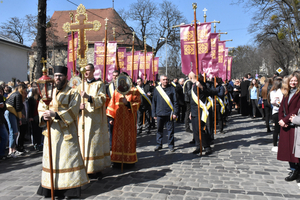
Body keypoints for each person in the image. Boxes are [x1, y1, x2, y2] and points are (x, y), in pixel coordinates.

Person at [37, 66, 89, 198]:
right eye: (55, 76)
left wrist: (55, 114)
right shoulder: (49, 93)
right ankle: (51, 188)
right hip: (52, 133)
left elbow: (74, 110)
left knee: (68, 160)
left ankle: (69, 190)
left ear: (66, 77)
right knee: (53, 160)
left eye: (60, 76)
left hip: (67, 133)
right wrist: (44, 116)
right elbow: (41, 107)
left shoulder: (73, 93)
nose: (57, 78)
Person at [78, 63, 111, 179]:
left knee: (94, 143)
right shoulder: (80, 85)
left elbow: (103, 99)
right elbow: (75, 100)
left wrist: (89, 97)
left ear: (93, 71)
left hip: (95, 119)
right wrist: (78, 106)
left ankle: (96, 168)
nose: (85, 73)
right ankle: (84, 167)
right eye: (84, 71)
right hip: (83, 119)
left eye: (87, 70)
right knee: (83, 142)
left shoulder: (99, 84)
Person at [106, 73, 141, 166]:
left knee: (128, 139)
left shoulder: (134, 91)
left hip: (129, 120)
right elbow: (111, 105)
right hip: (118, 120)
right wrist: (111, 117)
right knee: (117, 139)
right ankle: (117, 160)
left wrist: (128, 104)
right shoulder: (116, 92)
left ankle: (128, 161)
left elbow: (137, 104)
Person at [278, 72, 300, 182]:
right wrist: (281, 120)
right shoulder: (286, 93)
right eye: (291, 81)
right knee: (287, 150)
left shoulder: (299, 93)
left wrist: (285, 120)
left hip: (295, 125)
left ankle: (297, 170)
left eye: (295, 80)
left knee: (295, 151)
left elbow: (297, 109)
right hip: (286, 125)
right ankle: (293, 169)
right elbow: (281, 108)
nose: (293, 82)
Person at [152, 75, 178, 152]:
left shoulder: (172, 89)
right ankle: (159, 144)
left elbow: (175, 102)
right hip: (159, 113)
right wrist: (154, 114)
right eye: (164, 80)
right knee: (159, 130)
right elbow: (154, 102)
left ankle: (171, 145)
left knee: (170, 131)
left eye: (166, 79)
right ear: (160, 80)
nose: (165, 81)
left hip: (169, 114)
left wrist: (175, 113)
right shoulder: (157, 89)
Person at [188, 72, 212, 155]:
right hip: (194, 110)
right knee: (195, 130)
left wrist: (201, 87)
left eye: (189, 74)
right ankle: (198, 146)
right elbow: (192, 100)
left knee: (200, 129)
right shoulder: (192, 85)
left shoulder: (201, 84)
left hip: (200, 110)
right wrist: (190, 112)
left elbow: (208, 93)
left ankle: (207, 146)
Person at [4, 84, 26, 158]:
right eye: (25, 89)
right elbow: (18, 108)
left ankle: (13, 149)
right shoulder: (18, 95)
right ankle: (11, 150)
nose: (25, 91)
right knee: (14, 132)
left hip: (10, 113)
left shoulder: (14, 94)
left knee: (14, 132)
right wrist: (20, 119)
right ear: (22, 89)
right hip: (10, 113)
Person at [269, 78, 283, 152]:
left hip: (278, 111)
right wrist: (279, 105)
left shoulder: (278, 91)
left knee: (279, 129)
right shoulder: (275, 92)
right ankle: (275, 144)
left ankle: (280, 143)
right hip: (276, 111)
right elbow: (273, 101)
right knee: (277, 129)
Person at [106, 70, 119, 148]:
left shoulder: (123, 87)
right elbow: (106, 101)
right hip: (111, 111)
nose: (115, 77)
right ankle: (111, 145)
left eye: (117, 75)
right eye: (114, 75)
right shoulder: (108, 87)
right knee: (111, 130)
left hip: (120, 111)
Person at [0, 89, 8, 160]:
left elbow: (4, 107)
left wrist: (2, 107)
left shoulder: (0, 97)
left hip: (0, 121)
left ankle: (1, 154)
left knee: (5, 137)